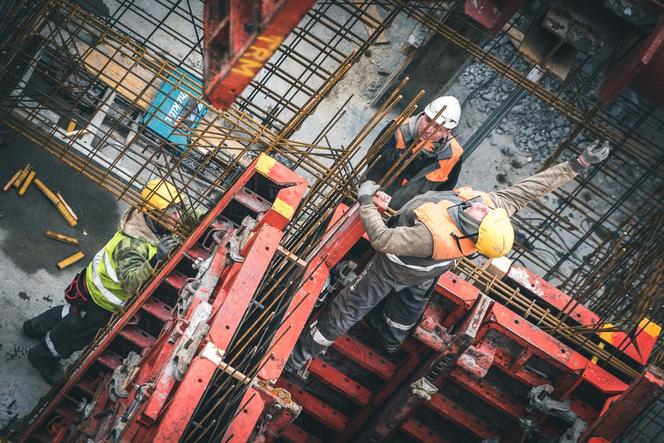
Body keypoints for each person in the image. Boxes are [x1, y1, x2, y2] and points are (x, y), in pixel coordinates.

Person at [285, 141, 611, 372]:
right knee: (404, 316)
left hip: (392, 268)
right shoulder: (490, 210)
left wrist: (368, 200)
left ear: (475, 231)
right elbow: (530, 189)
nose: (483, 205)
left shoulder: (430, 236)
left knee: (347, 308)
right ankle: (390, 339)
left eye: (482, 213)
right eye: (487, 209)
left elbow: (383, 239)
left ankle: (297, 357)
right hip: (428, 271)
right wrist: (576, 165)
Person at [23, 179, 183, 384]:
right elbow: (130, 283)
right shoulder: (133, 244)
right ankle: (42, 357)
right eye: (172, 211)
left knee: (71, 313)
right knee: (73, 335)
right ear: (155, 214)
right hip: (100, 301)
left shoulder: (147, 223)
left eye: (178, 208)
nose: (178, 216)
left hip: (91, 286)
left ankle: (35, 326)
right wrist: (155, 259)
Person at [365, 96, 464, 210]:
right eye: (427, 120)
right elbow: (373, 159)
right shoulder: (399, 127)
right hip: (369, 199)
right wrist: (409, 154)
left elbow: (441, 196)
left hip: (401, 219)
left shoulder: (453, 155)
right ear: (423, 114)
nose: (428, 129)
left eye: (437, 127)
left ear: (447, 132)